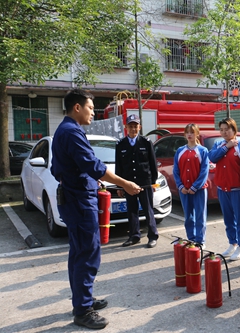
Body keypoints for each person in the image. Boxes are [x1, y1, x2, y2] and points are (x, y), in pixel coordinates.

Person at [51, 89, 142, 329]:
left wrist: (87, 178)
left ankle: (83, 300)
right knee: (88, 253)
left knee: (78, 252)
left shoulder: (64, 130)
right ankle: (82, 311)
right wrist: (125, 183)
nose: (94, 112)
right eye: (91, 108)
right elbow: (95, 166)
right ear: (77, 108)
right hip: (79, 200)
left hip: (74, 196)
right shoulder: (71, 132)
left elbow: (58, 168)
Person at [115, 114, 159, 248]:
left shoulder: (146, 142)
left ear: (139, 127)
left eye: (135, 126)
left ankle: (152, 236)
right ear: (126, 127)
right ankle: (134, 236)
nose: (133, 129)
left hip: (145, 182)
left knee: (148, 210)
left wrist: (153, 183)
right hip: (129, 183)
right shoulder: (120, 144)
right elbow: (119, 167)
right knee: (132, 210)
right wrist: (120, 186)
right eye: (131, 126)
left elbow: (153, 164)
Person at [208, 118, 240, 261]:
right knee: (228, 218)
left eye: (227, 129)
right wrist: (227, 146)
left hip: (237, 189)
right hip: (222, 188)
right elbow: (212, 157)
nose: (224, 132)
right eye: (222, 130)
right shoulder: (218, 145)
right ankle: (232, 243)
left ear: (234, 130)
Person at [173, 123, 209, 247]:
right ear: (184, 134)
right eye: (187, 132)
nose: (189, 134)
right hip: (184, 190)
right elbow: (176, 170)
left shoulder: (203, 151)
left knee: (200, 215)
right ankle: (191, 238)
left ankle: (200, 241)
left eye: (192, 132)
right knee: (188, 216)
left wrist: (195, 186)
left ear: (197, 134)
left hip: (198, 190)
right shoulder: (180, 151)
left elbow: (204, 171)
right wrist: (180, 186)